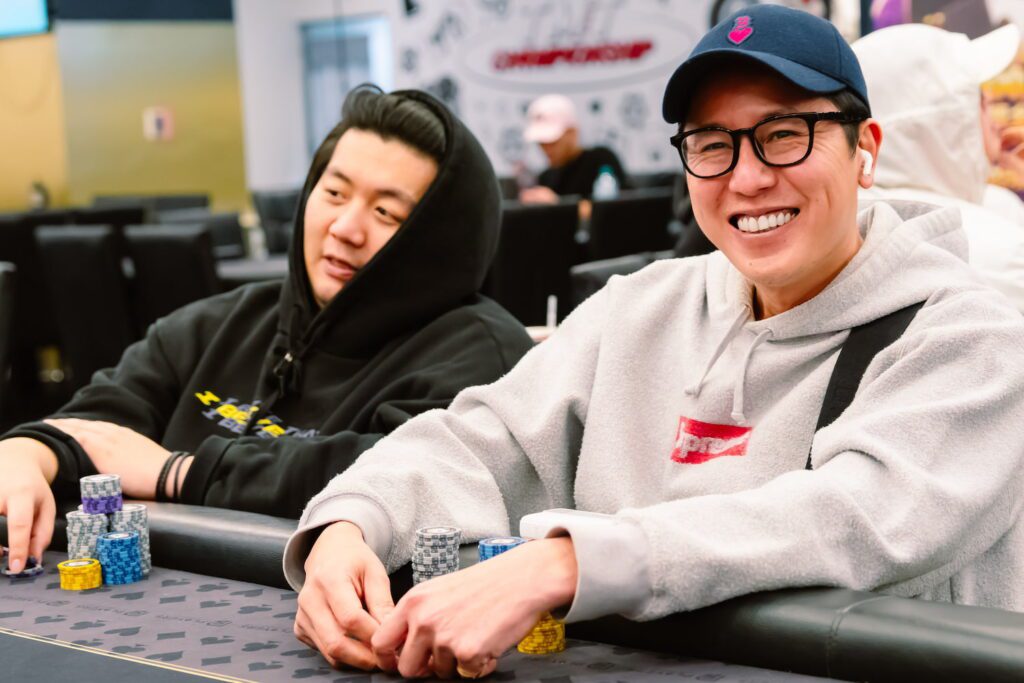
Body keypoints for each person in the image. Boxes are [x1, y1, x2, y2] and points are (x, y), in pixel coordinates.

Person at [287, 7, 1024, 678]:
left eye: (783, 135)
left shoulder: (969, 336)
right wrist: (352, 521)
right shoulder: (639, 308)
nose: (747, 177)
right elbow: (481, 438)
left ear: (866, 147)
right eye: (712, 144)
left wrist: (565, 565)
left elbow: (853, 520)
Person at [0, 87, 533, 576]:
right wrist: (29, 450)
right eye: (334, 192)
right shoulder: (220, 322)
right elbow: (95, 425)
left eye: (386, 213)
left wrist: (177, 472)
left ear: (439, 243)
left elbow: (403, 480)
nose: (345, 228)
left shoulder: (479, 352)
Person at [853, 22, 1024, 311]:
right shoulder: (1001, 251)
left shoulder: (861, 222)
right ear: (951, 121)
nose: (995, 121)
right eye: (982, 102)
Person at [518, 94, 629, 204]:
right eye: (541, 143)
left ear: (572, 133)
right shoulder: (546, 177)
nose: (547, 149)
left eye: (553, 142)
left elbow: (623, 208)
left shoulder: (600, 160)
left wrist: (557, 205)